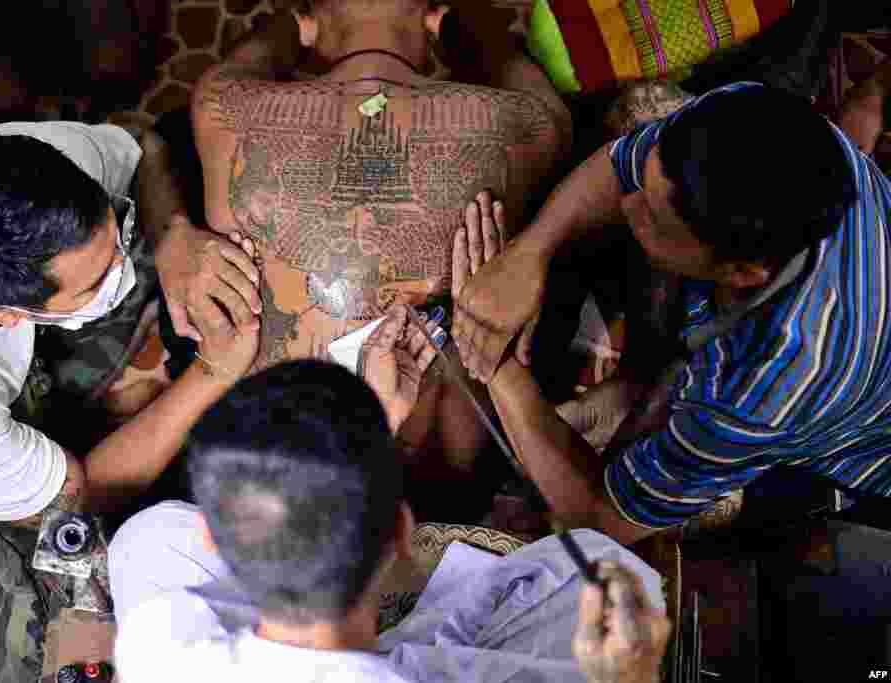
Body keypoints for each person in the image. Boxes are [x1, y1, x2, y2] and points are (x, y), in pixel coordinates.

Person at [451, 81, 891, 545]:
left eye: (654, 219)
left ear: (740, 272)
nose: (627, 204)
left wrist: (495, 364)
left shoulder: (769, 391)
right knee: (642, 108)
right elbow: (621, 168)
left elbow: (605, 518)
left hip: (863, 443)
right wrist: (529, 254)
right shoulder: (781, 136)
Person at [147, 1, 571, 474]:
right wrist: (456, 28)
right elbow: (524, 78)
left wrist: (293, 27)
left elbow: (253, 54)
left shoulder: (224, 104)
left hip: (258, 466)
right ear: (429, 19)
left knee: (168, 140)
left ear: (313, 22)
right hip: (447, 466)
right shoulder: (523, 120)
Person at [109, 334, 669, 683]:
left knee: (149, 537)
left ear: (213, 536)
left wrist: (371, 424)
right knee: (603, 569)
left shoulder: (159, 644)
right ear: (403, 533)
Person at [0, 121, 262, 523]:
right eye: (94, 284)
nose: (121, 268)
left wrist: (172, 234)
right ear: (8, 315)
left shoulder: (32, 168)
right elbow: (78, 497)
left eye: (116, 229)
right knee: (61, 560)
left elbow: (146, 145)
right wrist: (215, 373)